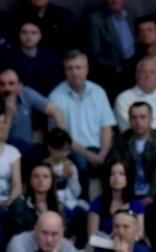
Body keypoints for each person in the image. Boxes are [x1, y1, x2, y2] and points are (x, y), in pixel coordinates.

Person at [48, 50, 116, 192]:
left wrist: (103, 153)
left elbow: (106, 127)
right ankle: (83, 203)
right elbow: (63, 138)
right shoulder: (56, 97)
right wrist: (88, 155)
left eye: (78, 67)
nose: (75, 73)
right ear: (65, 72)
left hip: (99, 148)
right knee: (81, 166)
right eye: (70, 68)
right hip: (73, 149)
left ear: (87, 69)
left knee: (117, 164)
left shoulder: (98, 92)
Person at [0, 68, 67, 162]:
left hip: (26, 148)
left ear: (20, 86)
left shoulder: (27, 94)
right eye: (2, 84)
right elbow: (0, 142)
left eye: (11, 83)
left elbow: (57, 112)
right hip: (3, 150)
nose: (7, 88)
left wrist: (62, 143)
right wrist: (9, 114)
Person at [109, 101, 156, 251]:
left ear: (151, 119)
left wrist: (150, 197)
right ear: (129, 120)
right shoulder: (122, 140)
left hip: (155, 194)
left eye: (143, 117)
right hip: (128, 194)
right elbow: (115, 166)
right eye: (134, 117)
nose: (138, 122)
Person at [86, 0, 137, 99]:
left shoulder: (132, 15)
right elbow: (94, 53)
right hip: (111, 74)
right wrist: (115, 67)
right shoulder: (96, 19)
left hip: (134, 69)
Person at [12, 0, 78, 58]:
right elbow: (15, 45)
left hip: (58, 61)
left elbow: (71, 45)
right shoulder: (20, 17)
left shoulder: (64, 15)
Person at [1, 22, 64, 98]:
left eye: (33, 33)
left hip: (47, 99)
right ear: (19, 34)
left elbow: (56, 82)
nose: (29, 36)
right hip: (19, 99)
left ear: (40, 36)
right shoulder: (8, 56)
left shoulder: (50, 56)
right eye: (24, 32)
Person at [5, 162, 64, 241]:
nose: (41, 180)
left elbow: (63, 230)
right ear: (30, 180)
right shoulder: (19, 204)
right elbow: (16, 233)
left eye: (45, 177)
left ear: (52, 181)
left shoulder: (58, 204)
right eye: (36, 176)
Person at [86, 157, 143, 239]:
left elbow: (139, 234)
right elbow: (92, 236)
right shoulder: (97, 203)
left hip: (130, 244)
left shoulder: (136, 204)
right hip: (103, 244)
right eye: (112, 174)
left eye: (121, 174)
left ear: (128, 178)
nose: (116, 177)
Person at [112, 57, 156, 133]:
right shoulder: (123, 99)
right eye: (143, 72)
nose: (148, 76)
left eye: (152, 72)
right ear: (136, 75)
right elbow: (129, 130)